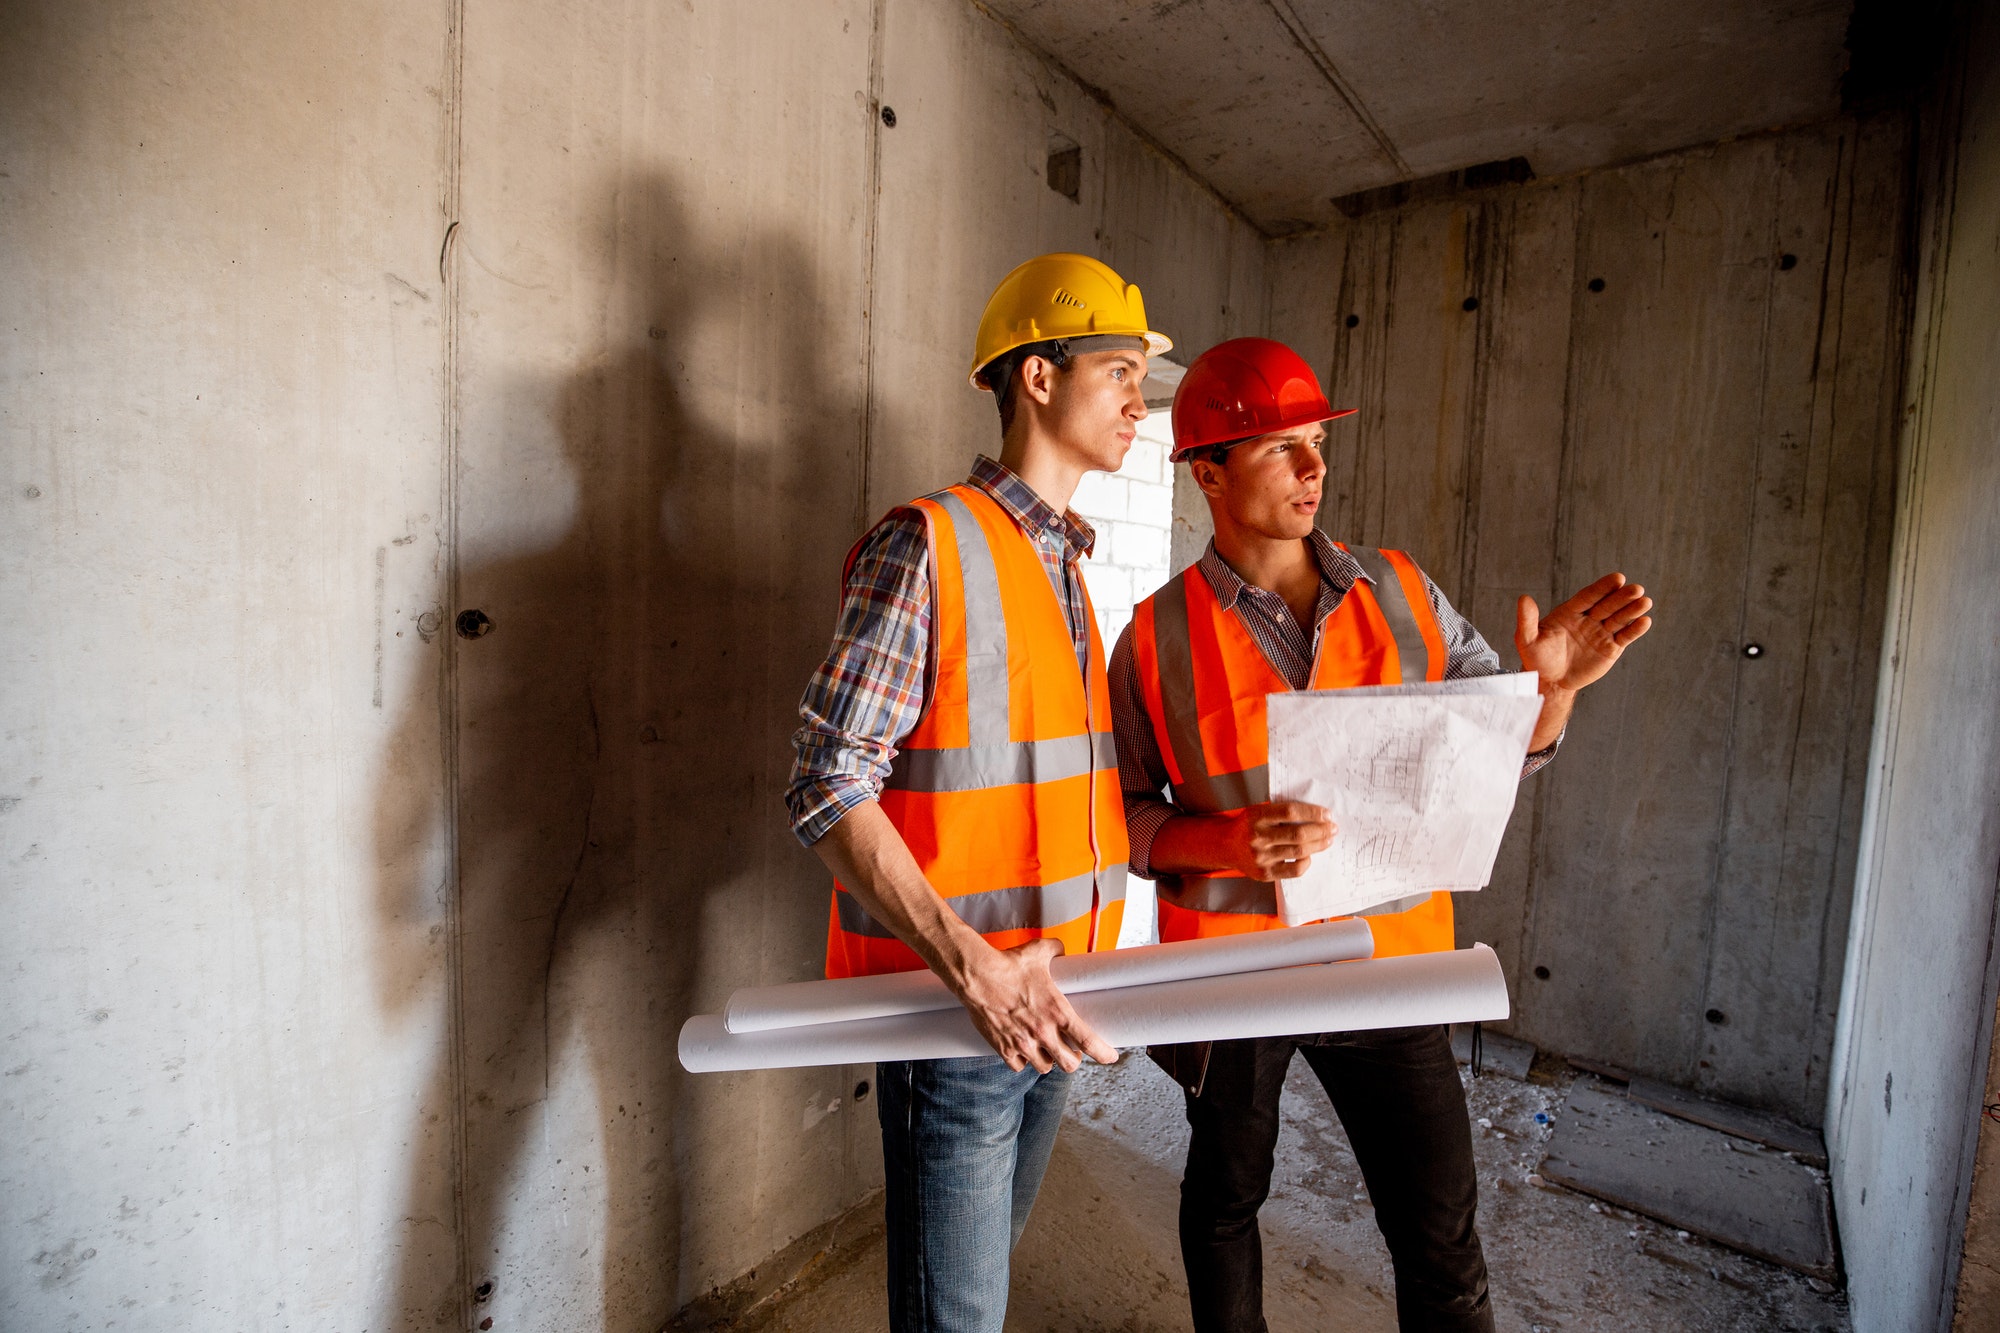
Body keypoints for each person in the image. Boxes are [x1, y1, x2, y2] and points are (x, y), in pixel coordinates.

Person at [1110, 337, 1654, 1333]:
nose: (1315, 468)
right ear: (1208, 472)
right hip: (1232, 976)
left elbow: (1498, 756)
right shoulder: (1151, 638)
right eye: (1283, 447)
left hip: (1387, 958)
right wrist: (1223, 846)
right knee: (1224, 1201)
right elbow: (1127, 818)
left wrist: (1550, 693)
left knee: (1437, 1232)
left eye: (1317, 442)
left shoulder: (1402, 589)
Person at [785, 253, 1171, 1332]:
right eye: (1117, 369)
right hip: (963, 1014)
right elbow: (824, 778)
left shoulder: (1063, 567)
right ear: (1037, 378)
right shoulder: (930, 542)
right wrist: (974, 969)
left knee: (970, 1295)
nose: (1141, 399)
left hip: (1058, 1000)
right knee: (954, 1317)